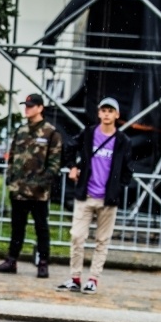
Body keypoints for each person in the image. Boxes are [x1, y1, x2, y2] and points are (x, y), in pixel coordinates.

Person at [57, 96, 134, 294]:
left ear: (117, 115)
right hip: (86, 194)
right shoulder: (89, 133)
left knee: (102, 240)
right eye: (104, 110)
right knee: (77, 236)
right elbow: (69, 147)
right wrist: (73, 167)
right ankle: (75, 277)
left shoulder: (123, 141)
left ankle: (93, 279)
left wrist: (117, 188)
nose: (107, 114)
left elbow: (128, 170)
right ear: (99, 113)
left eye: (111, 111)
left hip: (108, 198)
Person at [0, 94, 61, 279]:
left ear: (40, 108)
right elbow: (12, 157)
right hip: (19, 190)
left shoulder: (51, 133)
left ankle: (43, 262)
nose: (27, 108)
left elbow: (54, 163)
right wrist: (11, 179)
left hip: (39, 193)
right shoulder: (20, 131)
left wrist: (42, 183)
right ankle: (11, 260)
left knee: (41, 228)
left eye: (30, 106)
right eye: (26, 105)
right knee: (17, 227)